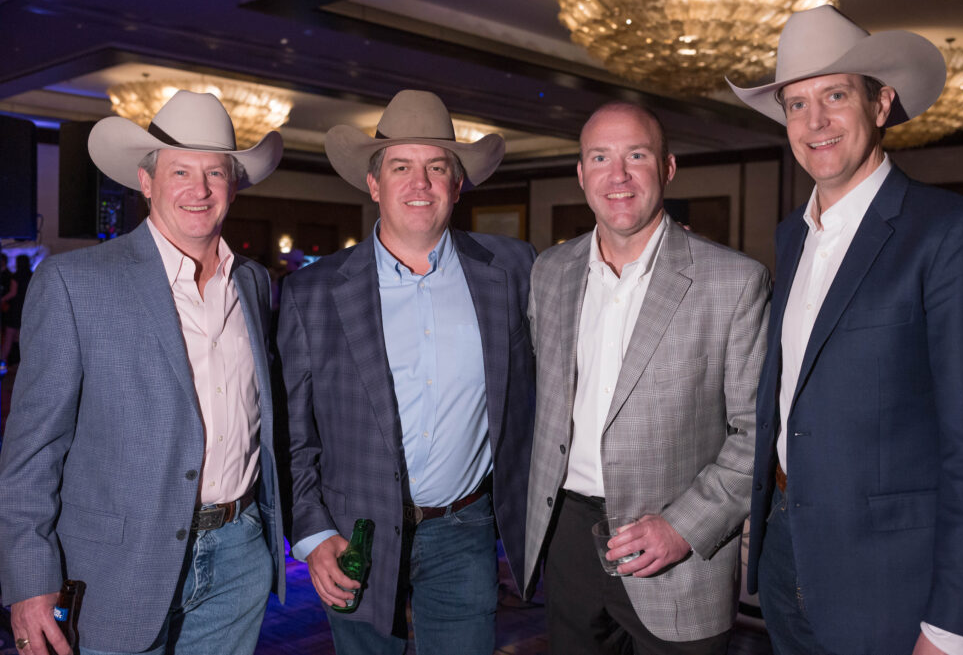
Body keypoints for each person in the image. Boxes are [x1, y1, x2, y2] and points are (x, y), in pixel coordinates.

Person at [727, 5, 963, 655]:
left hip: (896, 591)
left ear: (882, 103)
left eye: (835, 95)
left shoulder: (952, 235)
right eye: (796, 104)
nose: (815, 122)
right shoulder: (791, 236)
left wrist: (956, 628)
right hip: (787, 567)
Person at [0, 90, 287, 655]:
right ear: (146, 181)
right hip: (116, 569)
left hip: (238, 557)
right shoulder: (73, 284)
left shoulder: (253, 282)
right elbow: (32, 451)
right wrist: (30, 582)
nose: (199, 190)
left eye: (215, 173)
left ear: (234, 184)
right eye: (180, 170)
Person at [276, 89, 535, 655]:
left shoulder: (513, 269)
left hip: (464, 530)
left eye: (436, 167)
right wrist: (314, 533)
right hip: (355, 533)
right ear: (374, 184)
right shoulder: (312, 293)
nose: (420, 184)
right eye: (400, 167)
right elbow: (293, 435)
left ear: (457, 183)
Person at [523, 102, 771, 654]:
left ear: (667, 168)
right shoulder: (550, 272)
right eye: (600, 158)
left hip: (677, 555)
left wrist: (685, 526)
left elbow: (758, 432)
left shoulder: (734, 281)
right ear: (581, 174)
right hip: (568, 537)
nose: (619, 175)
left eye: (636, 155)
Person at [0, 254, 32, 373]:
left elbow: (13, 293)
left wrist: (2, 299)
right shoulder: (32, 275)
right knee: (20, 339)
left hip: (15, 310)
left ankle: (2, 365)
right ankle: (20, 365)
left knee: (8, 339)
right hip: (26, 309)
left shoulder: (16, 276)